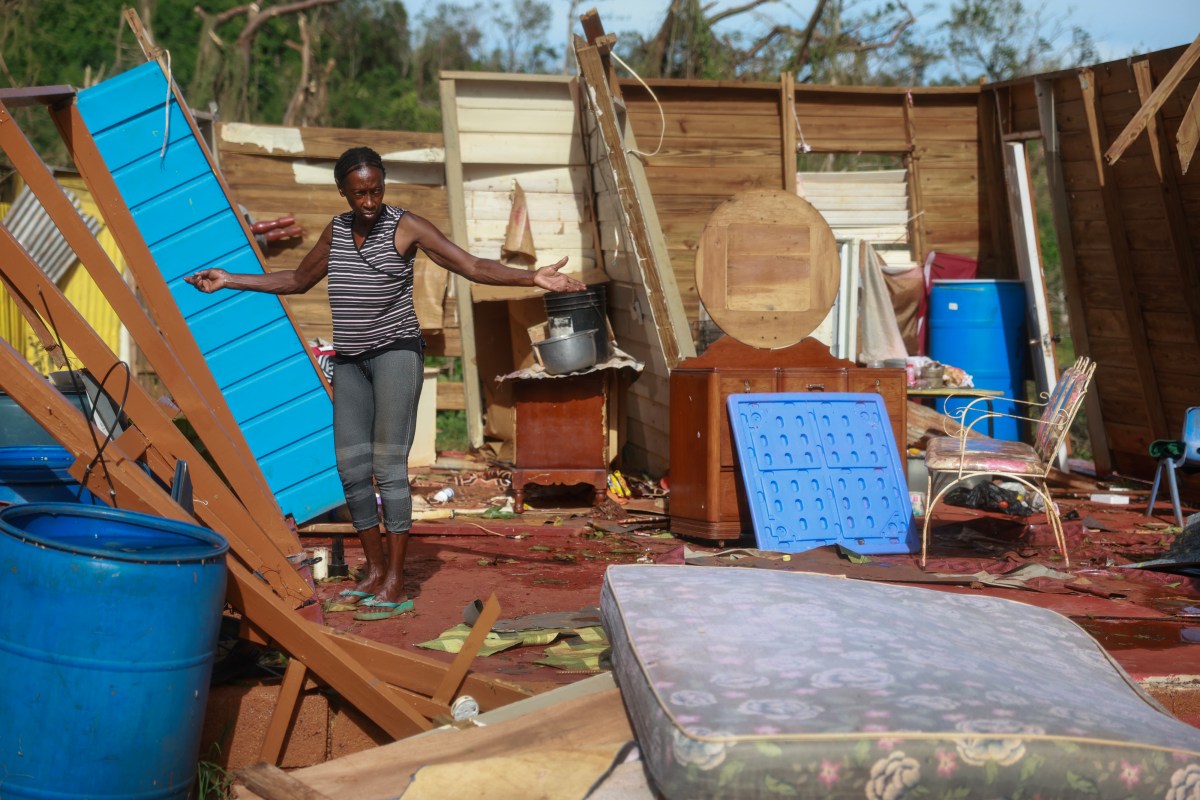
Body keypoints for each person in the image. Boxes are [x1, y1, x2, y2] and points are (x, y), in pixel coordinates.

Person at [186, 146, 586, 617]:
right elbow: (295, 279)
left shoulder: (406, 226)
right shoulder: (336, 232)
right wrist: (231, 279)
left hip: (396, 354)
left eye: (376, 190)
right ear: (344, 192)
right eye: (359, 193)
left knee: (389, 466)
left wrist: (531, 278)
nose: (370, 201)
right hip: (352, 361)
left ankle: (396, 579)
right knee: (352, 469)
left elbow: (472, 266)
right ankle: (374, 570)